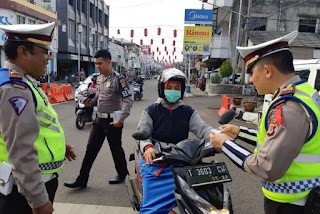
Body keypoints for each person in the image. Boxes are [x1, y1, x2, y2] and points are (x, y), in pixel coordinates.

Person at [211, 31, 320, 214]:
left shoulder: (288, 108)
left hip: (293, 205)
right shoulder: (304, 93)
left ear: (268, 71)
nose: (251, 79)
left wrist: (225, 144)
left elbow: (266, 166)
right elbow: (278, 141)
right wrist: (239, 132)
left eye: (252, 72)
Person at [0, 23, 76, 214]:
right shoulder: (14, 88)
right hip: (23, 191)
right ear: (23, 52)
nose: (49, 58)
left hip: (25, 185)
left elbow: (35, 124)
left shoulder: (23, 82)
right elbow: (20, 149)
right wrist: (39, 201)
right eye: (45, 52)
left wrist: (58, 147)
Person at [136, 68, 216, 213]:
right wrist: (148, 147)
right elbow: (143, 134)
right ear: (162, 88)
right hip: (156, 160)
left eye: (176, 88)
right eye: (169, 87)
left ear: (182, 90)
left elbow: (203, 129)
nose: (173, 91)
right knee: (150, 208)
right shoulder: (151, 110)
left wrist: (218, 137)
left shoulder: (187, 111)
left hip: (182, 159)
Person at [64, 49, 133, 188]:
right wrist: (90, 101)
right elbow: (99, 96)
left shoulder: (119, 79)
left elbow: (128, 99)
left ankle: (122, 173)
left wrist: (121, 119)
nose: (97, 66)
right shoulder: (99, 78)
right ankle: (82, 180)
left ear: (109, 62)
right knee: (90, 150)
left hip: (113, 122)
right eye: (95, 63)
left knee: (116, 149)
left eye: (100, 63)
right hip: (99, 120)